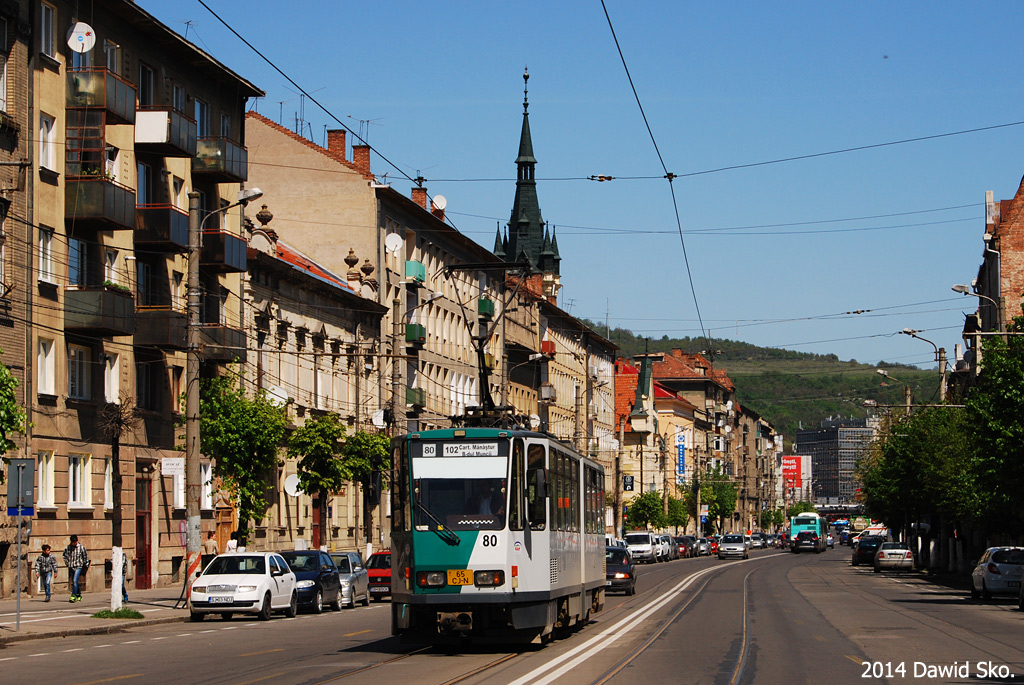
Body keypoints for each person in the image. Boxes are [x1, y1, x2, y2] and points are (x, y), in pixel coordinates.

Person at [63, 535, 89, 603]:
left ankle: (73, 595)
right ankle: (79, 594)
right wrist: (67, 563)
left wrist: (85, 566)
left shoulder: (81, 548)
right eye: (72, 542)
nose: (73, 543)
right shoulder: (68, 548)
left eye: (75, 542)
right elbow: (65, 556)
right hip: (71, 566)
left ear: (77, 541)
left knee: (74, 581)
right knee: (75, 582)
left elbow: (85, 557)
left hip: (79, 566)